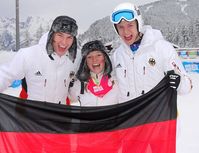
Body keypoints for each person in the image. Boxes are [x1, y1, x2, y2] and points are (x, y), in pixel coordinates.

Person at [110, 2, 192, 102]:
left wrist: (179, 82)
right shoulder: (117, 55)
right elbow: (110, 87)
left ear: (138, 24)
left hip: (157, 115)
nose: (126, 32)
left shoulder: (161, 48)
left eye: (130, 25)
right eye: (121, 27)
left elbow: (187, 87)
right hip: (129, 116)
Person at [0, 15, 79, 104]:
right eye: (60, 35)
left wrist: (77, 84)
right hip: (34, 115)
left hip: (61, 115)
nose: (64, 42)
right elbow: (5, 75)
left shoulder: (75, 59)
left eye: (69, 37)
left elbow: (75, 96)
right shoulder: (29, 55)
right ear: (52, 35)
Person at [69, 40, 119, 106]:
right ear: (85, 61)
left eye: (98, 55)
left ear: (105, 58)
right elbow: (69, 100)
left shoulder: (117, 80)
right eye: (89, 57)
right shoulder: (78, 84)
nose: (94, 59)